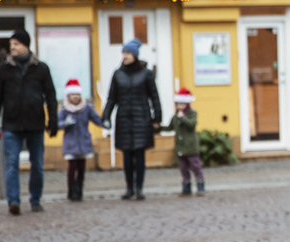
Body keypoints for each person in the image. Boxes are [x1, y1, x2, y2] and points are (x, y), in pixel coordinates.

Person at [0, 29, 58, 216]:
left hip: (35, 124)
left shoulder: (41, 68)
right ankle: (14, 201)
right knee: (12, 163)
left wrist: (53, 119)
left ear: (26, 45)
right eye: (11, 45)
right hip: (11, 124)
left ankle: (35, 200)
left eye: (16, 44)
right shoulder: (3, 69)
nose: (13, 47)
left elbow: (50, 95)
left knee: (38, 165)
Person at [102, 39, 162, 201]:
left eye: (128, 53)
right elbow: (111, 98)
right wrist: (106, 116)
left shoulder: (146, 74)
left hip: (141, 118)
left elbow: (154, 97)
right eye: (123, 53)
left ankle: (139, 188)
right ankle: (129, 187)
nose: (125, 56)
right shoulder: (118, 74)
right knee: (127, 155)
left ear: (135, 55)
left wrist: (157, 118)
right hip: (124, 119)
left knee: (139, 153)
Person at [57, 79, 103, 202]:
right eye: (73, 95)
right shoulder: (64, 109)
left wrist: (105, 123)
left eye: (77, 94)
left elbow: (96, 119)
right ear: (68, 96)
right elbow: (57, 124)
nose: (76, 97)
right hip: (71, 143)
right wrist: (65, 123)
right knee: (72, 167)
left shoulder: (86, 107)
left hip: (83, 142)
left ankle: (80, 189)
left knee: (82, 168)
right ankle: (72, 190)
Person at [161, 88, 205, 196]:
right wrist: (158, 128)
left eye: (182, 104)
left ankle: (200, 187)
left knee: (195, 166)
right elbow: (170, 127)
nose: (179, 106)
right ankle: (186, 189)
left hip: (190, 147)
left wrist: (183, 118)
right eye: (178, 104)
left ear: (187, 104)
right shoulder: (175, 117)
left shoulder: (192, 114)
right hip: (180, 148)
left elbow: (192, 125)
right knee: (184, 169)